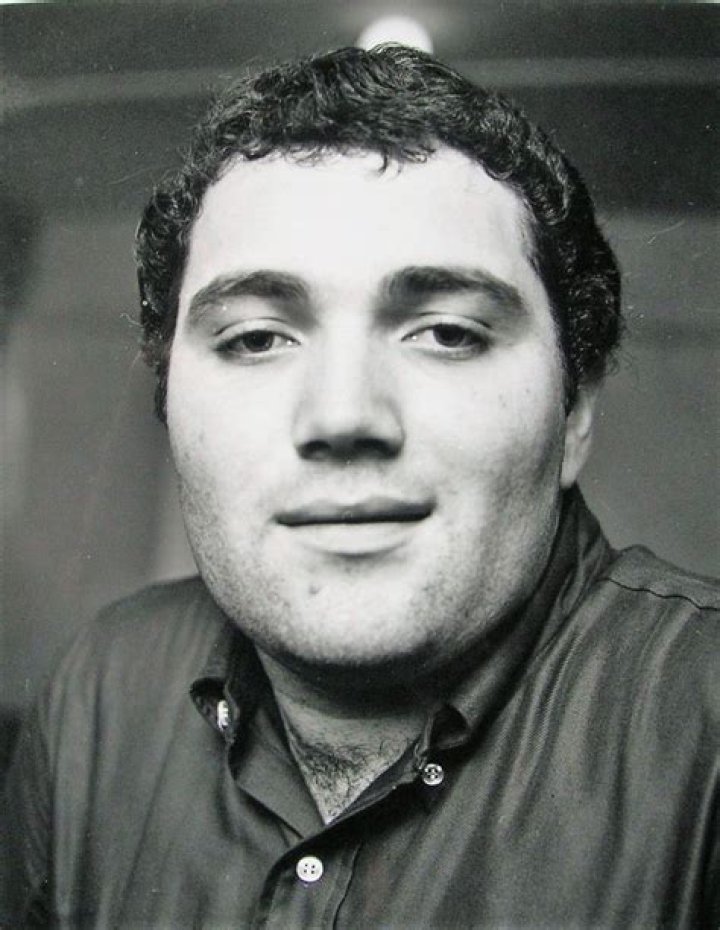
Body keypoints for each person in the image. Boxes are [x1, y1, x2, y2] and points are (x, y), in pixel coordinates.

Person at [2, 45, 717, 928]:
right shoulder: (100, 695)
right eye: (257, 339)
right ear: (169, 403)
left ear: (574, 413)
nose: (343, 415)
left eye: (447, 333)